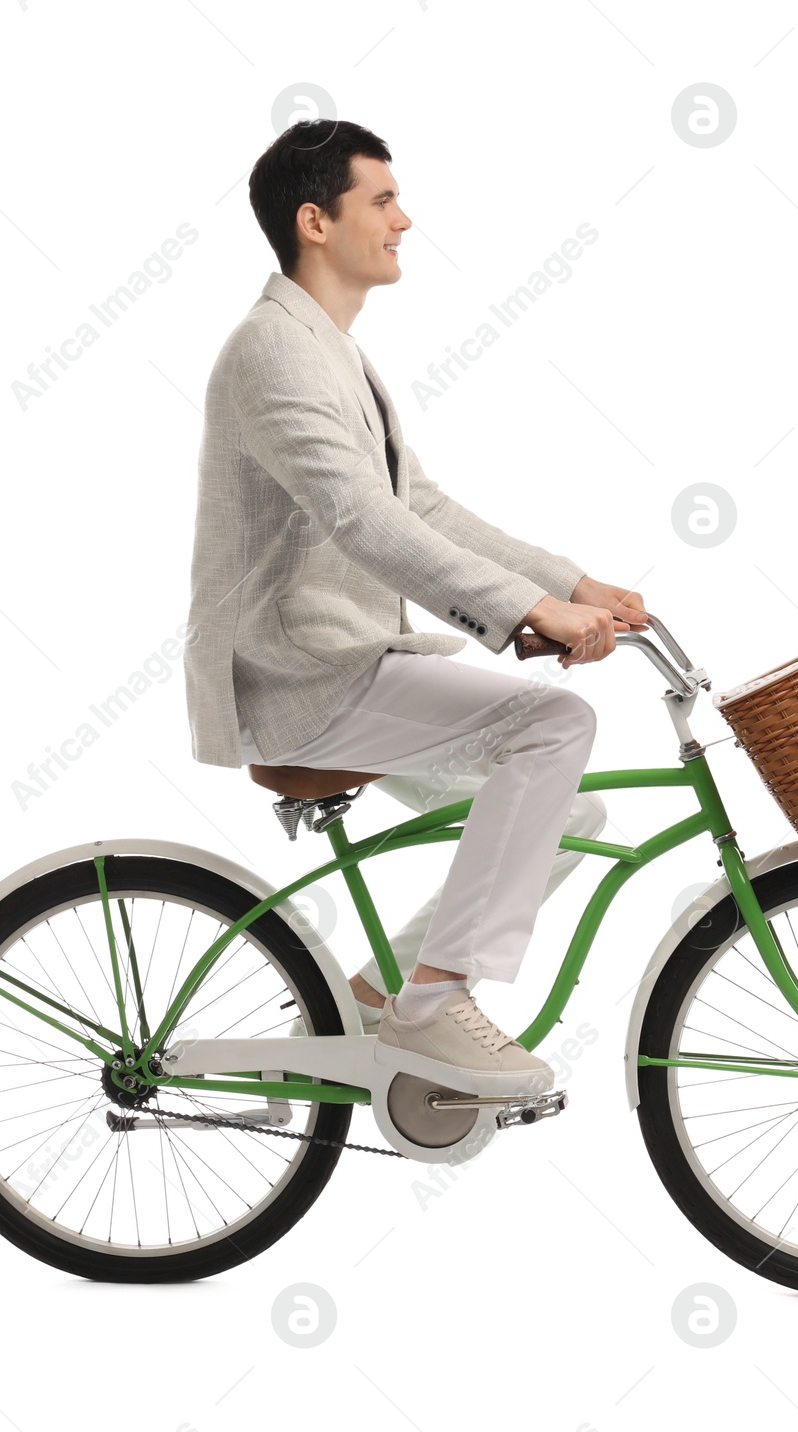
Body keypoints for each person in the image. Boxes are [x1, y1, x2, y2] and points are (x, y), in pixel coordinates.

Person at [184, 118, 648, 1093]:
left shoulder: (329, 350)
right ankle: (430, 1011)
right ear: (316, 221)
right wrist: (526, 607)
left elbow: (416, 506)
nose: (406, 219)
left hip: (348, 660)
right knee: (556, 723)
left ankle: (373, 996)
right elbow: (359, 520)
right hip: (304, 673)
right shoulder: (274, 351)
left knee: (572, 807)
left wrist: (566, 585)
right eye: (382, 201)